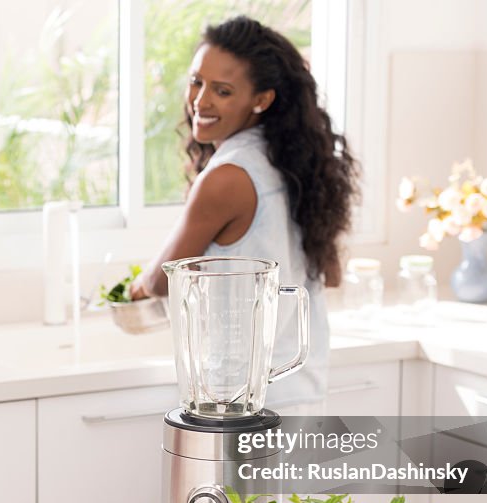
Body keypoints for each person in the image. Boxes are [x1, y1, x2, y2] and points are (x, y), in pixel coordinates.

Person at [130, 16, 359, 411]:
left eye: (222, 90)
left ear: (261, 99)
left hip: (240, 404)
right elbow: (331, 274)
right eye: (196, 82)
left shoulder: (228, 178)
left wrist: (132, 290)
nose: (201, 101)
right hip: (301, 389)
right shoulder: (293, 162)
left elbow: (158, 280)